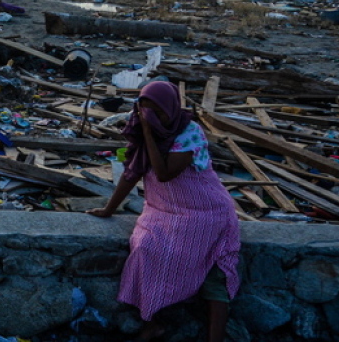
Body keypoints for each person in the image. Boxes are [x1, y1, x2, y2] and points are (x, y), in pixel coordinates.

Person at [87, 81, 240, 342]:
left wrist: (149, 133)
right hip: (164, 209)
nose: (154, 119)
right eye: (148, 112)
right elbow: (132, 172)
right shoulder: (140, 129)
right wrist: (109, 209)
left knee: (216, 275)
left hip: (206, 212)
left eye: (158, 113)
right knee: (145, 249)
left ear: (170, 108)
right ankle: (152, 322)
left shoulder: (189, 132)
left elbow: (164, 173)